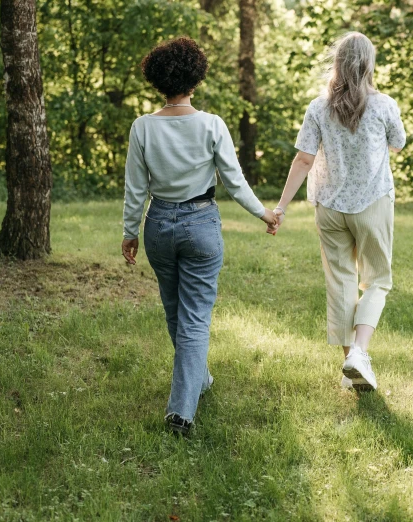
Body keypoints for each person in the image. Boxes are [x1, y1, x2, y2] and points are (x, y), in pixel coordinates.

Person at [121, 37, 277, 435]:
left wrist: (129, 232)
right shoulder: (211, 124)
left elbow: (135, 188)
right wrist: (265, 213)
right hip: (201, 224)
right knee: (193, 319)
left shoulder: (142, 127)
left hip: (158, 226)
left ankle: (196, 381)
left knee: (176, 312)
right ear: (195, 79)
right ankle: (181, 411)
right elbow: (235, 182)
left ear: (158, 81)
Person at [269, 32, 406, 392]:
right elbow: (398, 143)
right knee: (377, 280)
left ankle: (352, 359)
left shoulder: (318, 107)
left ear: (338, 63)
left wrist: (281, 207)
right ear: (369, 64)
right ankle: (359, 353)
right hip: (372, 203)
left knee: (341, 283)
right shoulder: (384, 104)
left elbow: (303, 159)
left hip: (329, 208)